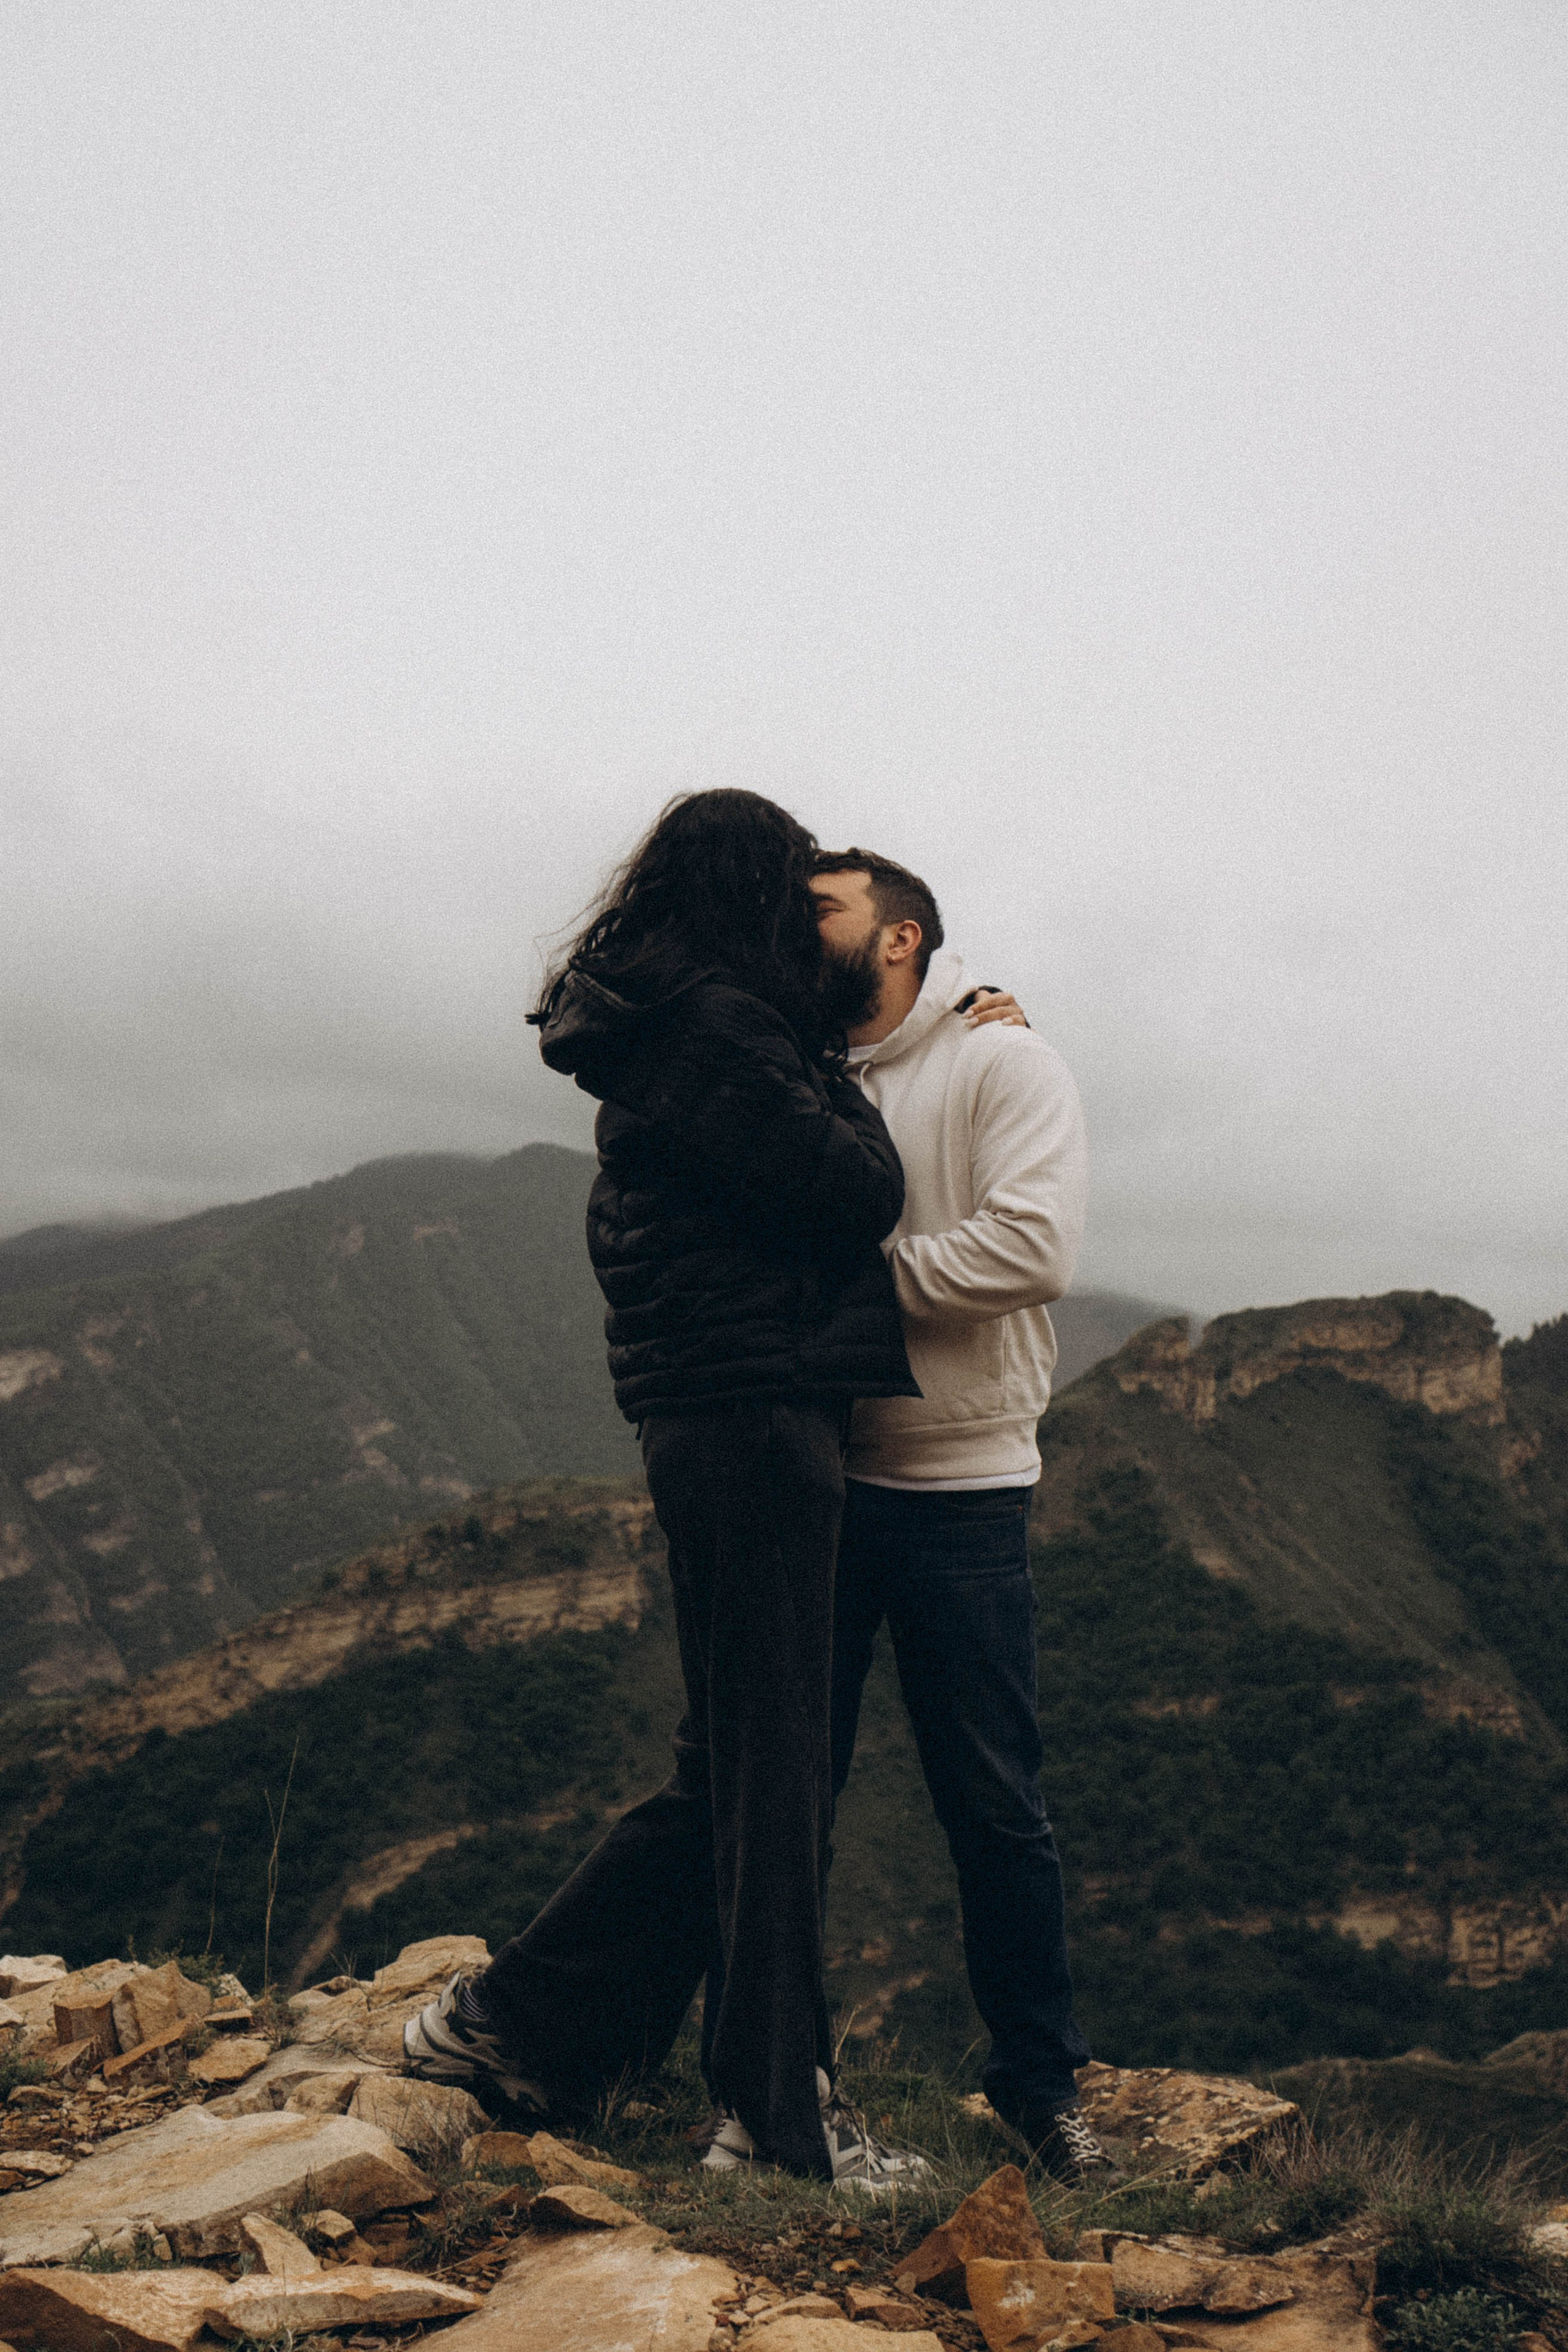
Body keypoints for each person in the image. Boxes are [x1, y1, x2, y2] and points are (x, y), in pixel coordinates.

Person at [404, 790, 929, 2188]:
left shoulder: (668, 1023)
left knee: (729, 1768)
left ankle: (513, 2026)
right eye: (794, 894)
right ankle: (774, 2122)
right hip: (756, 1415)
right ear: (751, 889)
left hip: (714, 1415)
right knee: (771, 1776)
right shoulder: (723, 1027)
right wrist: (842, 1070)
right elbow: (857, 1189)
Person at [805, 849, 1117, 2184]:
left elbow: (1031, 1249)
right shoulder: (792, 1071)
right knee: (784, 1798)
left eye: (817, 909)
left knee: (990, 1802)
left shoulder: (1001, 1064)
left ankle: (1037, 2087)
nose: (790, 930)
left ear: (899, 938)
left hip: (959, 1489)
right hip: (810, 1480)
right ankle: (780, 2077)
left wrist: (835, 1287)